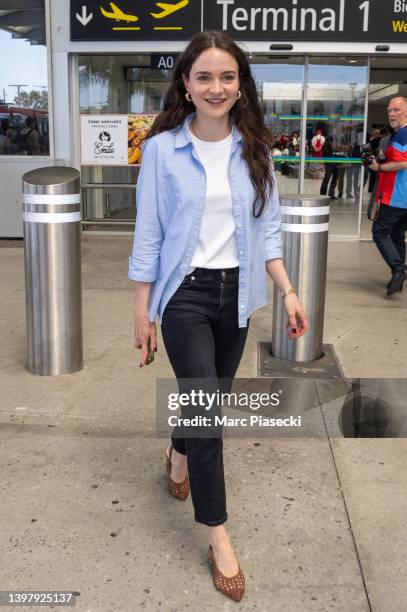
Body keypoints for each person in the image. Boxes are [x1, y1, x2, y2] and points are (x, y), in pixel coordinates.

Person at [128, 31, 308, 602]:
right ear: (186, 83)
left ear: (240, 86)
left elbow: (270, 230)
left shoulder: (255, 147)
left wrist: (287, 291)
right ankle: (218, 534)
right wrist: (143, 310)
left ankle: (177, 455)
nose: (215, 87)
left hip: (237, 294)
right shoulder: (160, 149)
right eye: (204, 76)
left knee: (206, 402)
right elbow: (149, 236)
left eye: (226, 77)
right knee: (207, 414)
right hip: (184, 294)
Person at [370, 96, 407, 296]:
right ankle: (397, 279)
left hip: (396, 195)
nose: (392, 114)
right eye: (389, 110)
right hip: (403, 197)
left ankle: (399, 269)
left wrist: (379, 167)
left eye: (397, 110)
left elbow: (402, 163)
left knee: (380, 232)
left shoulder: (403, 135)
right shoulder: (399, 135)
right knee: (397, 236)